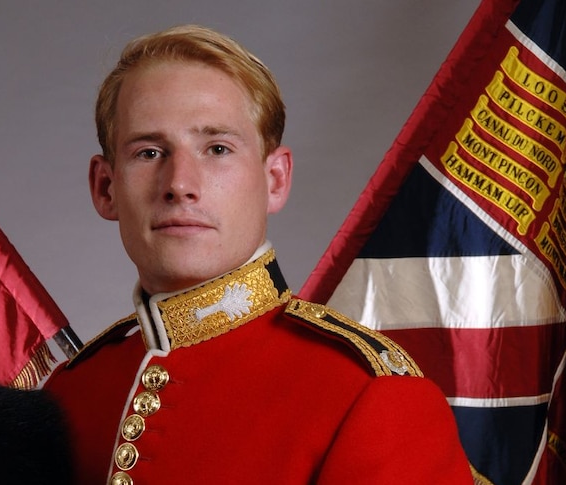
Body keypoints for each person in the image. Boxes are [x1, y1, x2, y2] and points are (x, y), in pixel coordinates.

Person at [45, 24, 475, 484]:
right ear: (105, 188)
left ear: (275, 179)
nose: (179, 185)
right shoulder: (68, 394)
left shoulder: (366, 393)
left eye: (217, 148)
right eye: (149, 152)